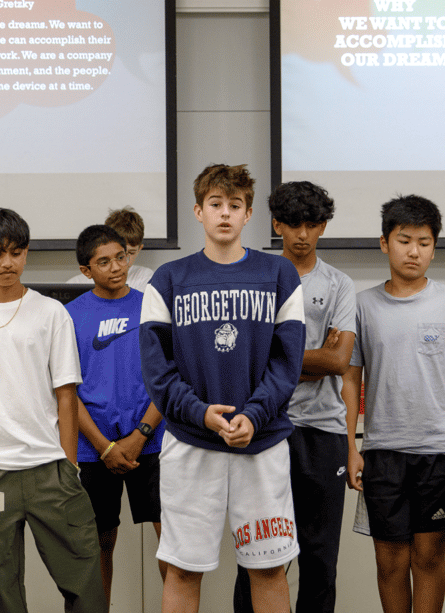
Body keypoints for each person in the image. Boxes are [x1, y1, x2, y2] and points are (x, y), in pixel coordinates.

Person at [140, 164, 306, 613]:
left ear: (249, 214)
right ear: (198, 211)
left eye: (235, 205)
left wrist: (253, 415)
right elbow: (157, 372)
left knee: (268, 568)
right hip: (191, 444)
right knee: (182, 569)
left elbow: (286, 364)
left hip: (262, 444)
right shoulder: (168, 280)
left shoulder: (279, 275)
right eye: (215, 204)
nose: (225, 213)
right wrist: (200, 413)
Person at [0, 207, 107, 613]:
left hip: (51, 470)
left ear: (26, 253)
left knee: (85, 582)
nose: (7, 263)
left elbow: (66, 394)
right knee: (0, 593)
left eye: (16, 252)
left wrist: (69, 463)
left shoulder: (51, 313)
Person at [344, 194, 445, 613]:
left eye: (424, 243)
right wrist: (350, 445)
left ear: (434, 248)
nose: (414, 251)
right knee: (389, 561)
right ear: (384, 243)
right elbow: (350, 378)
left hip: (438, 452)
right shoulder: (362, 305)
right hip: (382, 452)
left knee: (428, 557)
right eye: (404, 240)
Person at [234, 181, 356, 613]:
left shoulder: (339, 284)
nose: (302, 234)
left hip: (324, 430)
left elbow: (339, 361)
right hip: (265, 426)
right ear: (276, 225)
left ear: (323, 227)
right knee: (259, 556)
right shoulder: (254, 277)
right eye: (293, 224)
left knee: (320, 559)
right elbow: (244, 358)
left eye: (312, 224)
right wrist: (308, 359)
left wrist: (277, 360)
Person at [65, 223, 167, 607]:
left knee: (171, 541)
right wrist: (104, 447)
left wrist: (141, 434)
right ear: (86, 270)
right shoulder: (69, 316)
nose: (116, 267)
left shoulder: (152, 306)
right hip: (94, 448)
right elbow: (66, 391)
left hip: (151, 442)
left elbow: (169, 377)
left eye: (121, 257)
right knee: (100, 543)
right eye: (104, 262)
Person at [66, 206, 154, 289]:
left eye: (131, 253)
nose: (125, 260)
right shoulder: (75, 283)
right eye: (120, 255)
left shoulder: (146, 278)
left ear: (139, 249)